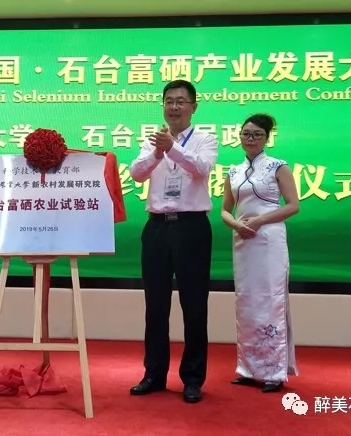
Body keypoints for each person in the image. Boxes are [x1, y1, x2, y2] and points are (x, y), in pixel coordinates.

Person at [129, 80, 218, 403]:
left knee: (194, 304)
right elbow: (136, 173)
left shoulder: (206, 139)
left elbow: (201, 168)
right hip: (156, 228)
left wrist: (172, 149)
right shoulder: (152, 141)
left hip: (191, 227)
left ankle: (192, 379)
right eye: (169, 101)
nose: (174, 106)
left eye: (181, 101)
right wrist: (157, 151)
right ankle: (154, 374)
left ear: (194, 107)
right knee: (155, 305)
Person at [220, 114, 299, 393]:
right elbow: (224, 210)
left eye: (257, 134)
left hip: (269, 239)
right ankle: (247, 368)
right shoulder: (233, 171)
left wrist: (259, 221)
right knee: (246, 301)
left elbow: (293, 205)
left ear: (266, 138)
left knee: (270, 299)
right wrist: (236, 224)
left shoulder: (278, 166)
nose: (250, 139)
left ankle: (273, 371)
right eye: (246, 134)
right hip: (243, 240)